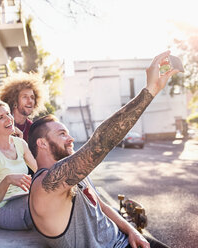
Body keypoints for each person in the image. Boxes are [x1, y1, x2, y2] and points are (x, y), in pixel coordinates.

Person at [27, 51, 177, 248]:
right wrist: (149, 91)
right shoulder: (44, 187)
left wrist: (132, 231)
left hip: (126, 241)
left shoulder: (71, 175)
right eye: (62, 134)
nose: (71, 137)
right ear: (42, 143)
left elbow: (101, 206)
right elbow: (99, 143)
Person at [0, 101, 37, 230]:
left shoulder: (20, 144)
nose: (8, 119)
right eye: (1, 117)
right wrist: (8, 181)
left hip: (27, 199)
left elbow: (39, 171)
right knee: (44, 203)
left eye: (8, 114)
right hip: (5, 210)